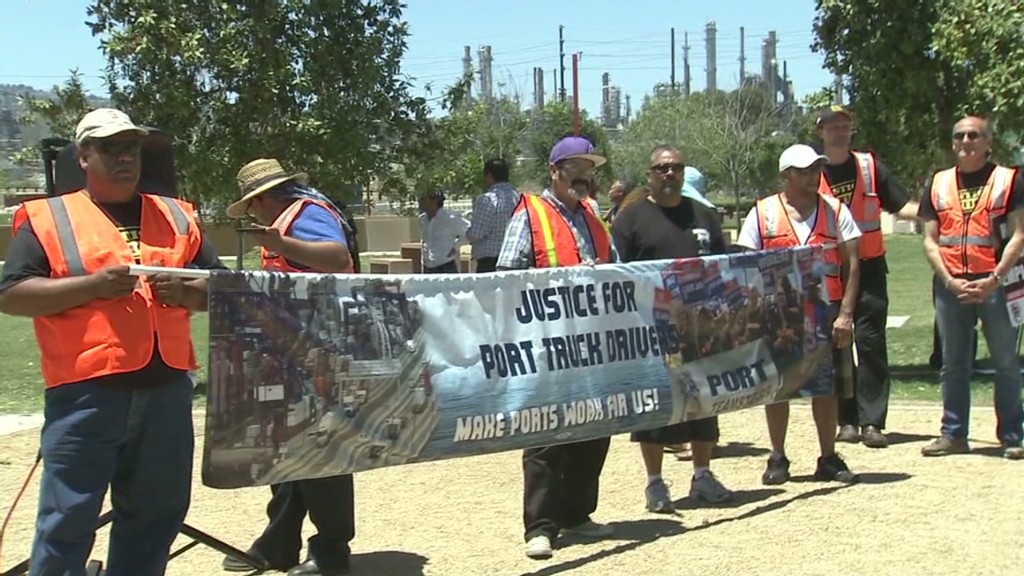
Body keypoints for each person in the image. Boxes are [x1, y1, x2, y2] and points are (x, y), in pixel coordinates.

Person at [0, 108, 226, 576]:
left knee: (155, 517)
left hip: (167, 390)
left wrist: (187, 292)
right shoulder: (49, 217)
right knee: (68, 520)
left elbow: (223, 287)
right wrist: (92, 286)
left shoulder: (177, 215)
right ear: (83, 155)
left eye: (131, 148)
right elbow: (12, 294)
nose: (124, 157)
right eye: (110, 147)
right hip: (85, 394)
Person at [222, 158, 356, 576]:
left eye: (252, 207)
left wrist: (283, 246)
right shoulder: (294, 215)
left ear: (263, 199)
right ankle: (278, 542)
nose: (253, 216)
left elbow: (335, 257)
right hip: (291, 352)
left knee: (322, 452)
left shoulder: (306, 216)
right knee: (284, 449)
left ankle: (331, 552)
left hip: (320, 352)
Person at [496, 135, 616, 560]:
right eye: (576, 167)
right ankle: (541, 527)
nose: (584, 175)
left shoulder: (593, 216)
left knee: (595, 428)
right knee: (547, 436)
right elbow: (507, 279)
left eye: (590, 168)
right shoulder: (529, 214)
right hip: (547, 347)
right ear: (555, 171)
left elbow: (615, 266)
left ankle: (578, 515)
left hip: (595, 343)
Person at [611, 145, 734, 514]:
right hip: (652, 329)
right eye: (662, 168)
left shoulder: (704, 216)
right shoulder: (631, 219)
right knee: (656, 409)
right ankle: (655, 483)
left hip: (700, 326)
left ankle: (702, 474)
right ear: (650, 174)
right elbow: (618, 274)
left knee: (704, 403)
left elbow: (722, 265)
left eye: (676, 167)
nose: (669, 173)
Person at [736, 143, 861, 485]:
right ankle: (777, 456)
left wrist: (846, 314)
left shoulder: (836, 210)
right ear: (786, 175)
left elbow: (852, 263)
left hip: (827, 310)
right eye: (804, 171)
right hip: (779, 315)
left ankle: (828, 456)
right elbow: (746, 265)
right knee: (778, 387)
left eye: (815, 170)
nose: (812, 177)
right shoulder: (762, 213)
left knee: (826, 388)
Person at [917, 116, 1024, 460]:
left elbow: (1019, 235)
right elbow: (930, 241)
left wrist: (993, 278)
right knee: (953, 362)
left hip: (997, 283)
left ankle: (1011, 434)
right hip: (951, 285)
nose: (966, 141)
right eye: (959, 135)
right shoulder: (937, 183)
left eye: (974, 135)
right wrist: (949, 280)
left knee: (1006, 361)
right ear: (952, 143)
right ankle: (953, 434)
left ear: (988, 141)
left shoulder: (1010, 180)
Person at [816, 105, 918, 448]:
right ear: (821, 132)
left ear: (852, 130)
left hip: (870, 266)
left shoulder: (869, 167)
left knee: (871, 342)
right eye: (832, 126)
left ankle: (872, 421)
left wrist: (936, 212)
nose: (839, 131)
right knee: (837, 345)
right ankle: (846, 420)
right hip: (831, 270)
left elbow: (901, 205)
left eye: (844, 125)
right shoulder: (811, 171)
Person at [466, 158, 520, 273]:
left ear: (489, 175)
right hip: (514, 260)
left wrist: (467, 234)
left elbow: (476, 233)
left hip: (490, 262)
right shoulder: (519, 198)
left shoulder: (489, 199)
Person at [417, 187, 470, 274]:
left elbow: (470, 232)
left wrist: (456, 247)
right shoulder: (423, 219)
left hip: (445, 267)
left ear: (435, 201)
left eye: (424, 198)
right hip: (428, 267)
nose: (421, 201)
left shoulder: (450, 218)